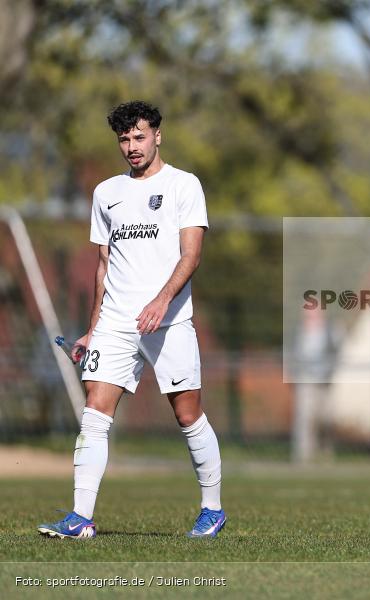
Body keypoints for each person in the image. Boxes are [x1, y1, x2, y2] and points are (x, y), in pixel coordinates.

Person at [37, 101, 226, 539]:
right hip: (117, 322)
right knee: (95, 412)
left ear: (158, 135)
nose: (132, 147)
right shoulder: (106, 193)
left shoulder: (184, 186)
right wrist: (92, 326)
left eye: (139, 137)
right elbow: (104, 266)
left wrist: (162, 301)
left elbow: (191, 255)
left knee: (188, 415)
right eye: (124, 139)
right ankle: (81, 517)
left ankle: (212, 508)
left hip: (169, 321)